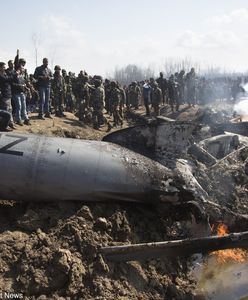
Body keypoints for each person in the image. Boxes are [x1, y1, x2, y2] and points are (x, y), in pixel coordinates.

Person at [0, 62, 15, 129]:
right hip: (4, 96)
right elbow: (8, 79)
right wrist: (15, 74)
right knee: (6, 111)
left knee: (10, 110)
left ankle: (10, 124)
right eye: (3, 67)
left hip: (8, 94)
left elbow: (10, 78)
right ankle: (5, 125)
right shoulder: (1, 75)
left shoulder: (5, 74)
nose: (5, 68)